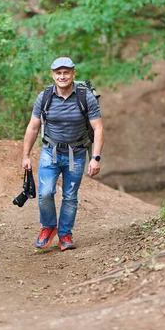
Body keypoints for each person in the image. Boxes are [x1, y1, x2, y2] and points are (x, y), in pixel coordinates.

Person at [22, 57, 104, 251]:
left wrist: (95, 158)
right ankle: (49, 227)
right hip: (50, 151)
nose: (62, 76)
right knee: (45, 192)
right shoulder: (45, 96)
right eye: (58, 73)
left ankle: (65, 233)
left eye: (66, 72)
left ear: (73, 74)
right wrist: (25, 156)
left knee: (69, 196)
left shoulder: (86, 97)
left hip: (76, 152)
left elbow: (98, 128)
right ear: (53, 75)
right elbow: (33, 127)